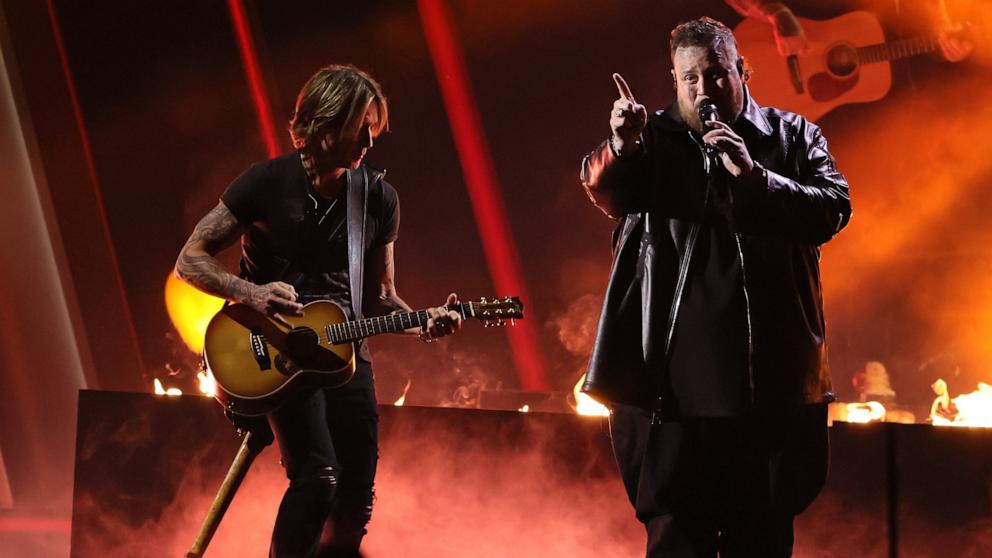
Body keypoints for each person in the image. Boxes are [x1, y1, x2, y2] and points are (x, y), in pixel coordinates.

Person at [579, 17, 851, 557]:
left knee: (762, 537)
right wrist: (621, 144)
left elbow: (833, 207)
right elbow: (605, 188)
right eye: (690, 80)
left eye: (717, 75)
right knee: (677, 538)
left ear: (742, 71)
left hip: (765, 387)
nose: (705, 91)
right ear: (674, 80)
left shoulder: (792, 135)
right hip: (672, 393)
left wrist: (755, 176)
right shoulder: (650, 139)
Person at [175, 64, 462, 557]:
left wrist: (423, 322)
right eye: (361, 125)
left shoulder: (377, 198)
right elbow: (189, 260)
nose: (371, 140)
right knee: (318, 479)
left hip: (346, 354)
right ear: (323, 124)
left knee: (356, 499)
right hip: (273, 346)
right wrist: (251, 292)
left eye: (377, 126)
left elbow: (380, 297)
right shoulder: (264, 182)